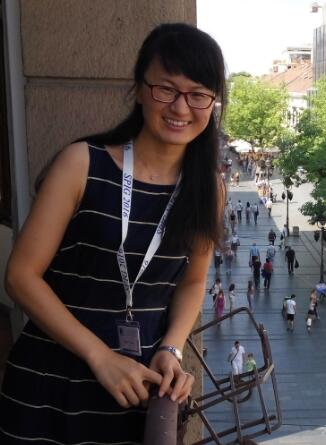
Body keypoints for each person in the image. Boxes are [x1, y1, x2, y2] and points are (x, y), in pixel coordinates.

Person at [0, 23, 226, 444]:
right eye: (166, 89)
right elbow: (20, 276)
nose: (181, 107)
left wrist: (171, 348)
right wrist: (99, 356)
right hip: (50, 387)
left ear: (212, 103)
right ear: (139, 89)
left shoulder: (207, 188)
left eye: (198, 94)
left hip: (138, 394)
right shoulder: (82, 164)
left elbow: (193, 281)